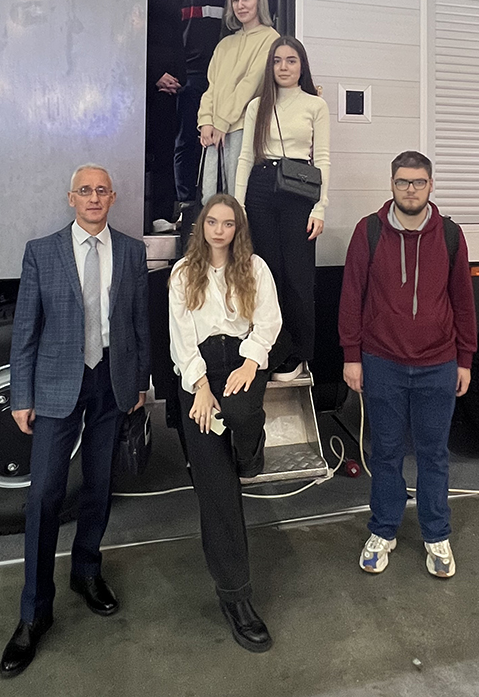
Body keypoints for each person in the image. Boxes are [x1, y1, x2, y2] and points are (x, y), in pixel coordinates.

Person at [1, 165, 150, 678]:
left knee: (99, 484)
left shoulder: (131, 251)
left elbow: (140, 323)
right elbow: (25, 329)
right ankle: (34, 612)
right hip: (56, 385)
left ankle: (86, 571)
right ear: (71, 199)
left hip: (111, 379)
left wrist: (139, 382)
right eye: (84, 191)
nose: (93, 198)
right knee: (44, 494)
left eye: (101, 190)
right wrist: (22, 394)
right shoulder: (41, 252)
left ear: (113, 197)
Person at [337, 151, 477, 579]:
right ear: (392, 185)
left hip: (439, 364)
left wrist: (465, 359)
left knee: (434, 455)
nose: (410, 189)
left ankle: (437, 534)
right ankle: (383, 530)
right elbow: (351, 296)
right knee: (385, 453)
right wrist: (351, 356)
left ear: (431, 185)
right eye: (403, 182)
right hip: (382, 363)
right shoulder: (369, 231)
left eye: (418, 182)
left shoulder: (450, 235)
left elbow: (463, 300)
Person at [169, 193, 282, 653]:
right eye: (212, 222)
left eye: (228, 223)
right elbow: (180, 336)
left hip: (241, 358)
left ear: (238, 229)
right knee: (216, 490)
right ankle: (236, 598)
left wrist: (251, 362)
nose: (219, 230)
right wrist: (200, 386)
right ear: (202, 226)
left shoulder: (255, 267)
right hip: (197, 370)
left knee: (238, 412)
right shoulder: (183, 273)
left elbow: (268, 322)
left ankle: (250, 452)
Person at [235, 36, 329, 381]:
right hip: (261, 188)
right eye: (277, 61)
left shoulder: (315, 105)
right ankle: (273, 347)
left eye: (291, 60)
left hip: (298, 189)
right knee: (266, 272)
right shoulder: (257, 106)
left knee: (298, 276)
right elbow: (245, 157)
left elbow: (322, 159)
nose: (284, 67)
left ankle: (300, 353)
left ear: (302, 66)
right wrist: (239, 206)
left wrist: (320, 207)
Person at [197, 0, 278, 201]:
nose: (240, 5)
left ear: (259, 0)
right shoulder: (225, 44)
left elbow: (249, 85)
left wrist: (222, 121)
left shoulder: (271, 39)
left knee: (237, 196)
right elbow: (212, 87)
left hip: (243, 128)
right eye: (235, 0)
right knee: (209, 198)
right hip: (215, 129)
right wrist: (205, 121)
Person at [175, 0, 229, 204]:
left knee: (218, 141)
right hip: (186, 79)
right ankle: (186, 202)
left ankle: (216, 201)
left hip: (219, 81)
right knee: (186, 141)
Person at [147, 0, 187, 232]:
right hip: (145, 86)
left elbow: (174, 41)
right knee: (143, 152)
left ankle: (162, 216)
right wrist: (154, 75)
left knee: (164, 151)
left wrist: (178, 79)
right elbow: (134, 38)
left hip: (169, 89)